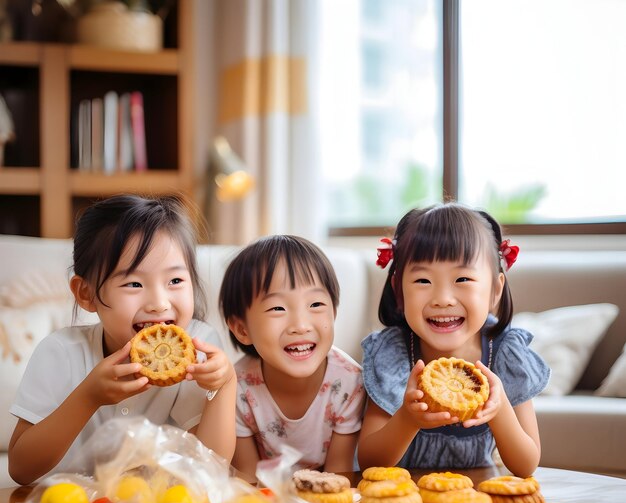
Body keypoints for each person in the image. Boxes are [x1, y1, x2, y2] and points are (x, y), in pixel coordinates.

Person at [8, 194, 237, 485]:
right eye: (134, 283)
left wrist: (225, 383)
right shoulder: (61, 352)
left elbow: (210, 471)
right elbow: (21, 469)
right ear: (86, 294)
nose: (159, 302)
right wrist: (88, 397)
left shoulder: (198, 348)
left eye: (175, 281)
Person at [358, 202, 550, 478]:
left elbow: (526, 464)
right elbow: (369, 462)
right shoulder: (394, 354)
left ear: (495, 290)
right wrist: (408, 419)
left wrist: (498, 409)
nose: (443, 299)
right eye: (423, 281)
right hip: (405, 500)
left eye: (462, 278)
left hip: (476, 500)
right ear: (398, 289)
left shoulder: (505, 352)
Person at [219, 235, 365, 481]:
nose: (300, 325)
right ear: (242, 329)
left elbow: (338, 475)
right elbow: (248, 478)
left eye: (316, 304)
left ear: (334, 313)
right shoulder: (237, 388)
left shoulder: (349, 382)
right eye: (278, 308)